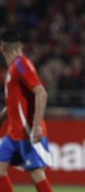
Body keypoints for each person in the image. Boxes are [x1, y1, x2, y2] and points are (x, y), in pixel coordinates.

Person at [0, 30, 52, 192]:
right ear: (20, 46)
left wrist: (36, 126)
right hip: (13, 134)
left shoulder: (21, 64)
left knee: (36, 174)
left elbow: (41, 92)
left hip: (26, 132)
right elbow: (13, 104)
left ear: (2, 48)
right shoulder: (13, 69)